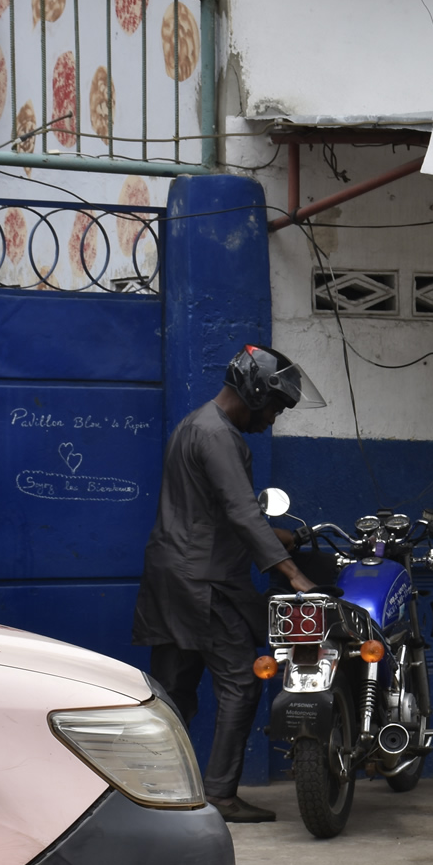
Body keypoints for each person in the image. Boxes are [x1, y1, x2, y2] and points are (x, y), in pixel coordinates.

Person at [133, 346, 324, 824]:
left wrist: (289, 538)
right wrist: (293, 573)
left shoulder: (195, 425)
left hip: (173, 576)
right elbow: (240, 513)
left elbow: (222, 513)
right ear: (256, 394)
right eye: (276, 407)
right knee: (241, 682)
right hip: (206, 582)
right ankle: (220, 793)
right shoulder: (220, 437)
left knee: (171, 693)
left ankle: (146, 791)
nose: (274, 418)